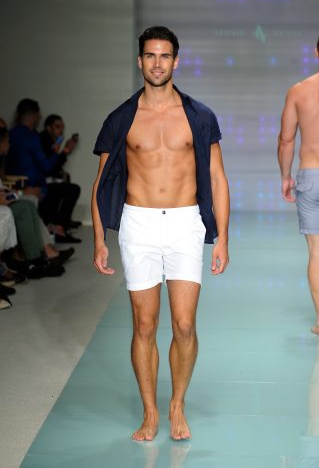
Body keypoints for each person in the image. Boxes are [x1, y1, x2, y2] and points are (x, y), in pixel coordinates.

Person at [92, 26, 230, 441]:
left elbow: (217, 178)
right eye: (150, 56)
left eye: (164, 56)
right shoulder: (121, 119)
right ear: (140, 61)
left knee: (185, 324)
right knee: (145, 325)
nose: (157, 63)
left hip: (186, 222)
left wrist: (223, 236)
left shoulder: (200, 116)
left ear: (176, 60)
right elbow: (101, 182)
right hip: (139, 223)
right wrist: (99, 239)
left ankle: (177, 404)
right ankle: (151, 411)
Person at [278, 37, 319, 335]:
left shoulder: (300, 91)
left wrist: (285, 176)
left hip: (311, 174)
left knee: (317, 253)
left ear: (317, 50)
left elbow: (286, 139)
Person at [6, 99, 81, 243]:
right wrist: (60, 151)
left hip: (16, 185)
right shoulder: (33, 137)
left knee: (63, 186)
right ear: (35, 115)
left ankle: (55, 228)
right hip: (34, 187)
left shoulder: (11, 134)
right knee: (69, 189)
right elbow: (46, 167)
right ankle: (57, 229)